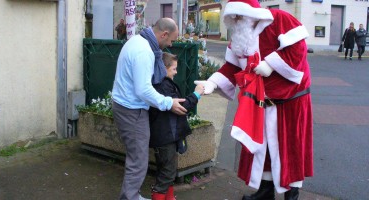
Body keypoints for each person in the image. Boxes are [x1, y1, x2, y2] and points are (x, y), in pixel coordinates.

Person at [195, 0, 313, 199]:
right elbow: (231, 68)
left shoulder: (280, 19)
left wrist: (271, 64)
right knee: (262, 148)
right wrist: (212, 83)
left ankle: (291, 194)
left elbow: (298, 49)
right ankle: (266, 191)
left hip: (291, 101)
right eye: (234, 17)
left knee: (291, 149)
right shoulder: (239, 38)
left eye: (240, 15)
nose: (238, 20)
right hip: (260, 102)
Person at [112, 18, 187, 200]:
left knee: (135, 158)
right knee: (138, 162)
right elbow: (143, 90)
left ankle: (133, 196)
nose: (170, 45)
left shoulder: (137, 40)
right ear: (164, 34)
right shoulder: (144, 52)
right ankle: (129, 198)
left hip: (125, 106)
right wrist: (168, 102)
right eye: (171, 40)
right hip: (132, 111)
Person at [149, 52, 204, 200]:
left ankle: (169, 197)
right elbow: (182, 106)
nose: (176, 72)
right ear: (164, 68)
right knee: (167, 172)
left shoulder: (159, 84)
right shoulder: (163, 86)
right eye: (173, 68)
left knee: (167, 170)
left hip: (164, 135)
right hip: (165, 136)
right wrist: (197, 94)